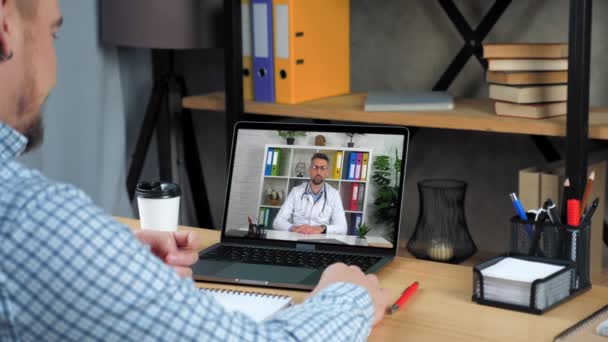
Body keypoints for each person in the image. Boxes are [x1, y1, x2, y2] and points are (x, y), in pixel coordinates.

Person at [0, 1, 390, 340]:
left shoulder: (30, 222)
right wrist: (346, 296)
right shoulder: (29, 217)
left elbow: (341, 230)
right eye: (53, 35)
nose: (55, 68)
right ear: (5, 27)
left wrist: (105, 257)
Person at [273, 153, 348, 235]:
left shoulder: (334, 194)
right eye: (315, 167)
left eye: (323, 168)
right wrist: (295, 228)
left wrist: (321, 228)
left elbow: (342, 228)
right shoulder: (296, 191)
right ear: (309, 170)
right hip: (297, 237)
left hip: (320, 240)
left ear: (327, 172)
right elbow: (277, 222)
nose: (318, 172)